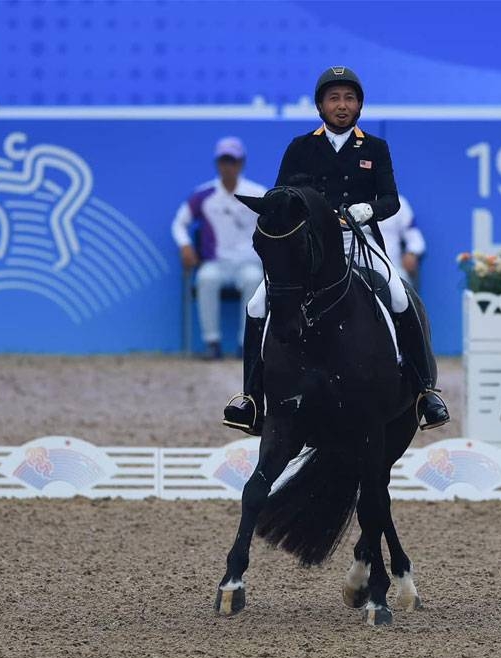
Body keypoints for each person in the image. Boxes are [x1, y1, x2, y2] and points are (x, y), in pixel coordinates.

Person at [222, 65, 449, 434]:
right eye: (334, 98)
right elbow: (280, 197)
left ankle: (425, 391)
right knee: (256, 303)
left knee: (399, 296)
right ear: (320, 106)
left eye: (349, 98)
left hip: (357, 239)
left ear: (359, 105)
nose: (342, 106)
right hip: (309, 245)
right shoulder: (301, 147)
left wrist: (368, 210)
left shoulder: (374, 148)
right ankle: (250, 398)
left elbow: (390, 200)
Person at [171, 137, 267, 359]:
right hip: (216, 263)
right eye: (224, 161)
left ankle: (247, 344)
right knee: (206, 279)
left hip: (248, 263)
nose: (228, 166)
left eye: (233, 161)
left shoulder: (258, 193)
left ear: (241, 164)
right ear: (217, 164)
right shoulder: (203, 195)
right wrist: (185, 245)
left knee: (254, 280)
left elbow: (276, 222)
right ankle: (212, 343)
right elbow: (179, 223)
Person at [377, 194, 426, 288]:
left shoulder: (397, 202)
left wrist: (412, 253)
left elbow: (415, 238)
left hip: (393, 269)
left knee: (401, 293)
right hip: (357, 270)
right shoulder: (350, 202)